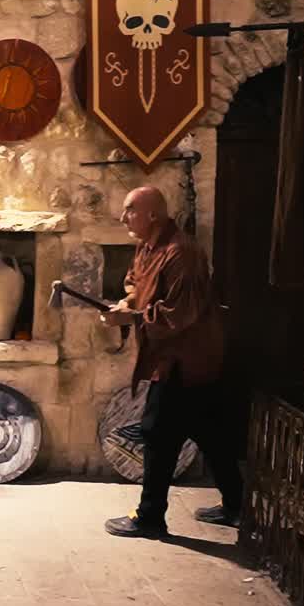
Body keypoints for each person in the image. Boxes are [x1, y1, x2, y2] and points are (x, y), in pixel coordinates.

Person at [99, 186, 244, 539]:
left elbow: (179, 314)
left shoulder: (182, 254)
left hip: (187, 359)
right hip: (177, 360)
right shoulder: (148, 246)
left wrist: (130, 319)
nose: (123, 218)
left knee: (157, 433)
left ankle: (150, 518)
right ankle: (237, 505)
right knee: (209, 431)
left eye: (130, 210)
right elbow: (135, 281)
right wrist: (127, 302)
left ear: (152, 214)